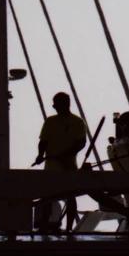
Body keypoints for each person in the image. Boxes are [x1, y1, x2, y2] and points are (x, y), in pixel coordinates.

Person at [34, 92, 86, 232]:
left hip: (69, 165)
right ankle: (44, 226)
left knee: (70, 197)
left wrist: (67, 154)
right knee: (47, 197)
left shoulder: (78, 122)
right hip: (51, 165)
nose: (54, 107)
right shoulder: (50, 121)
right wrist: (40, 155)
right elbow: (43, 141)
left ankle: (69, 228)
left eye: (56, 104)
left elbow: (81, 143)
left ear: (65, 104)